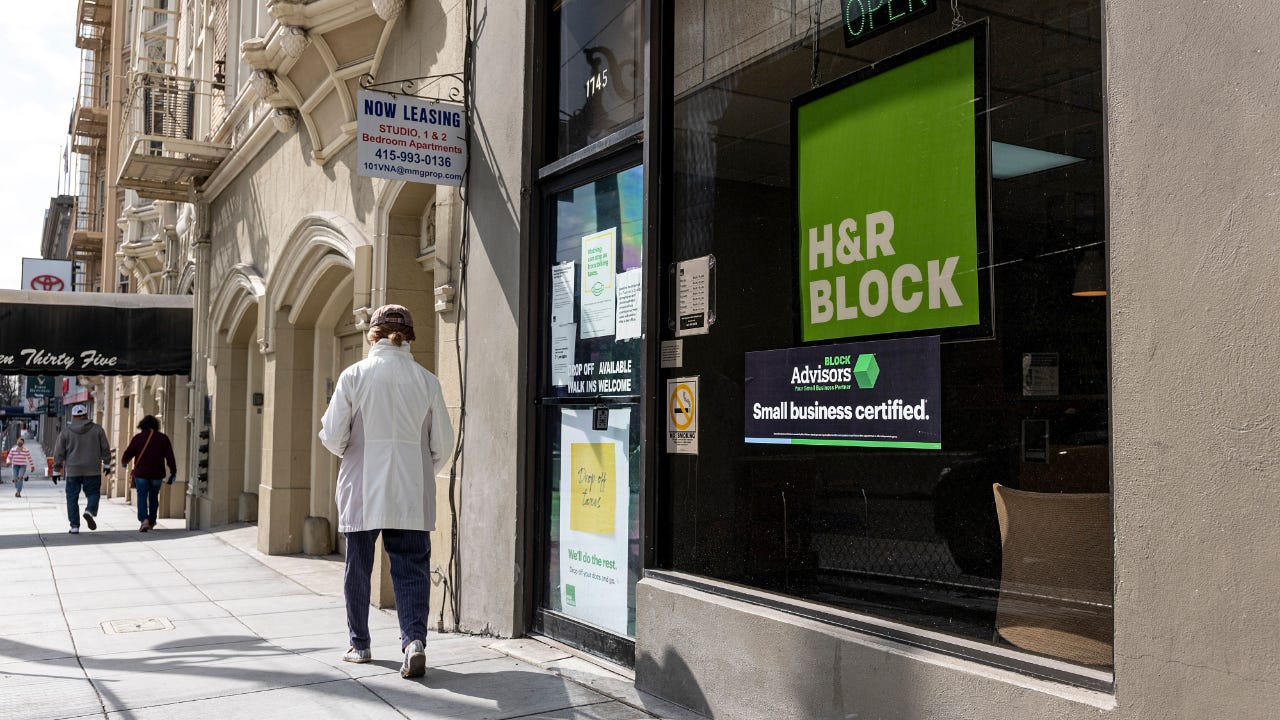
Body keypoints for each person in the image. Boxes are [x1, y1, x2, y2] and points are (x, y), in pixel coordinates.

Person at [319, 304, 454, 679]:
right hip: (411, 490)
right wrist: (419, 468)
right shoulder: (427, 381)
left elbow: (333, 436)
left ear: (372, 335)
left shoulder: (355, 375)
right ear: (410, 338)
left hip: (363, 487)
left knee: (358, 568)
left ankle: (360, 644)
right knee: (411, 568)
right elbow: (442, 444)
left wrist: (353, 452)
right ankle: (414, 643)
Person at [53, 404, 111, 534]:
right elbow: (105, 448)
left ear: (73, 416)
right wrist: (107, 464)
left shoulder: (66, 432)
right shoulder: (97, 429)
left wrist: (56, 470)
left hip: (73, 470)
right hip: (93, 469)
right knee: (93, 493)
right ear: (86, 415)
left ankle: (74, 526)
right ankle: (89, 510)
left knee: (72, 497)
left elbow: (59, 452)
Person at [120, 415, 178, 532]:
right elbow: (170, 457)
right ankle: (152, 521)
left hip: (141, 473)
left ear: (142, 425)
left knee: (142, 496)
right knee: (153, 496)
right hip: (157, 473)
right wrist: (173, 472)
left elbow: (129, 452)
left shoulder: (138, 438)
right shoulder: (163, 438)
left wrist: (124, 461)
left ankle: (144, 520)